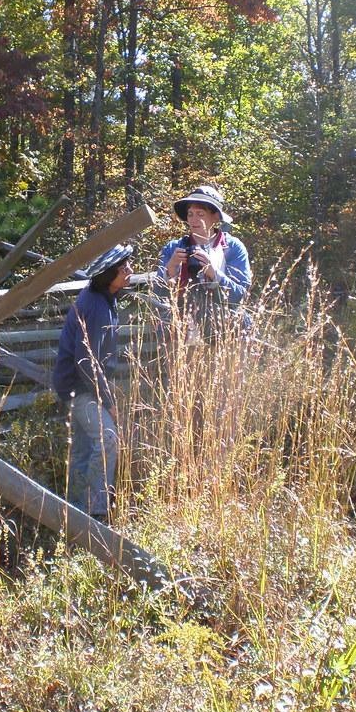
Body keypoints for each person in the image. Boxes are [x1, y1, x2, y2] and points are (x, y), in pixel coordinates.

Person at [52, 243, 134, 521]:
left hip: (77, 385)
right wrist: (108, 402)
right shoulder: (96, 306)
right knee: (107, 438)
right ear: (108, 274)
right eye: (123, 268)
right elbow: (86, 361)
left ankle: (76, 511)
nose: (129, 270)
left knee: (85, 447)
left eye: (128, 265)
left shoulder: (102, 298)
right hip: (80, 387)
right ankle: (96, 513)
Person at [156, 185, 252, 342]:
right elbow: (157, 293)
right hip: (181, 329)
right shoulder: (173, 248)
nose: (193, 220)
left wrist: (213, 273)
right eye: (190, 214)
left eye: (200, 214)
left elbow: (241, 295)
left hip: (226, 329)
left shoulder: (232, 247)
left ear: (215, 217)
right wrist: (171, 267)